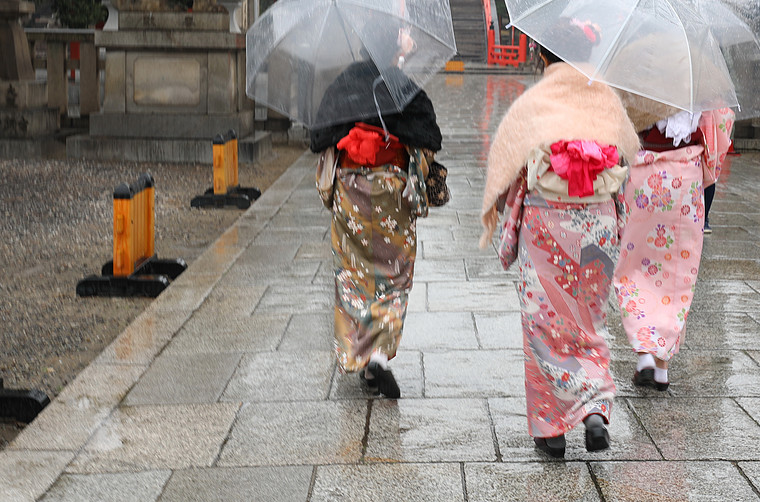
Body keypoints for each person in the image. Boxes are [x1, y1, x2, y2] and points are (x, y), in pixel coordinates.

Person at [479, 22, 639, 458]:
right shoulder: (605, 97)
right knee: (590, 320)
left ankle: (551, 430)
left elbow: (509, 162)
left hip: (547, 224)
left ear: (543, 57)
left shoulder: (538, 100)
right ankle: (593, 407)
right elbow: (628, 153)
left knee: (544, 321)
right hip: (598, 224)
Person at [310, 61, 446, 399]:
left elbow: (323, 142)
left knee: (352, 273)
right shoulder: (402, 86)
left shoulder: (343, 85)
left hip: (350, 188)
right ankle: (380, 355)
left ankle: (364, 356)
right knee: (393, 274)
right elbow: (426, 143)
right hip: (393, 189)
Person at [613, 107, 733, 391]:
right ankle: (662, 366)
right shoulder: (699, 80)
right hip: (685, 178)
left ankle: (645, 356)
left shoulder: (641, 75)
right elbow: (721, 128)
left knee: (636, 267)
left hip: (643, 176)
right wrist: (708, 170)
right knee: (677, 274)